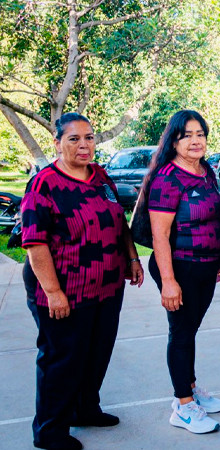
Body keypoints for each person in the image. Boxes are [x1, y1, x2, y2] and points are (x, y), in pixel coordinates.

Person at [21, 113, 144, 450]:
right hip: (65, 290)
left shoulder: (101, 177)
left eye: (88, 137)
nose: (84, 145)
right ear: (57, 144)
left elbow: (119, 222)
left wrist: (131, 259)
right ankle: (49, 431)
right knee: (62, 359)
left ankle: (85, 409)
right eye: (74, 139)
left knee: (97, 352)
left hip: (106, 285)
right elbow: (35, 243)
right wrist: (54, 292)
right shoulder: (44, 184)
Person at [144, 110, 220, 434]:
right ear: (174, 140)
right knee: (180, 334)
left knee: (189, 331)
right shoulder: (167, 178)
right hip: (178, 268)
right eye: (187, 135)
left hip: (206, 267)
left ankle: (190, 390)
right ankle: (182, 406)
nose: (195, 141)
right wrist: (168, 282)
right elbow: (159, 235)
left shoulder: (206, 171)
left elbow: (216, 218)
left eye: (200, 134)